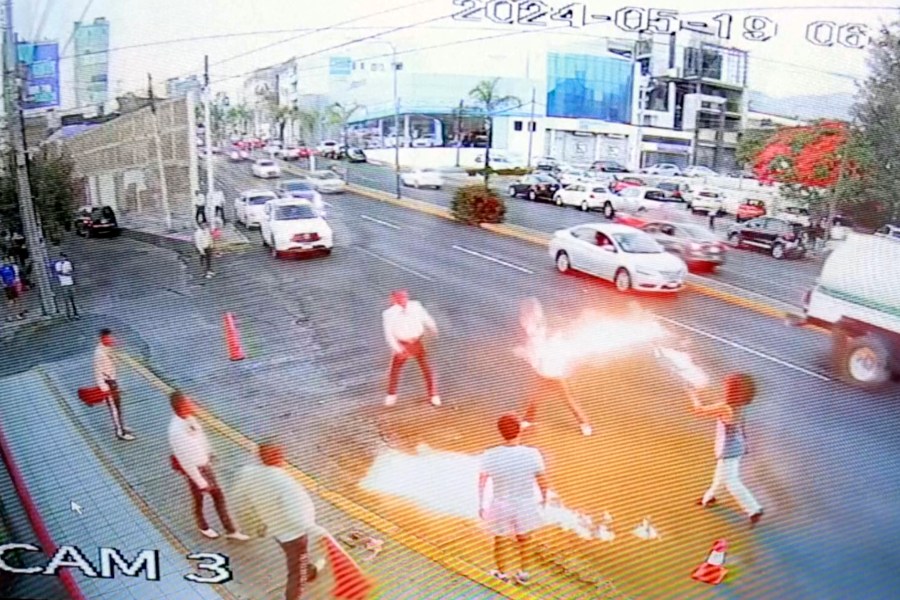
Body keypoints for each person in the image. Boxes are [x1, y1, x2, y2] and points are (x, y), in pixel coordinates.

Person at [232, 441, 326, 600]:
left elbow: (240, 501)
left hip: (274, 526)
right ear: (278, 456)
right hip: (293, 533)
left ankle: (307, 570)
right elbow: (297, 517)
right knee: (296, 569)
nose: (282, 455)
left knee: (296, 557)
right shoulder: (283, 482)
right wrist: (319, 531)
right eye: (279, 453)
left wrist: (253, 524)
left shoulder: (250, 474)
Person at [167, 391, 249, 541]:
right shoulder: (176, 431)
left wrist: (209, 453)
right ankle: (203, 526)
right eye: (189, 402)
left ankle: (230, 530)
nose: (194, 404)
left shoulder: (190, 418)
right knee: (199, 498)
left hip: (204, 464)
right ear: (182, 407)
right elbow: (184, 460)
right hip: (194, 469)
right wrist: (200, 481)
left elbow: (201, 437)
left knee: (218, 495)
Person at [478, 414, 548, 586]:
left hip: (501, 501)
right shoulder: (533, 454)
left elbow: (482, 481)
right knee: (524, 539)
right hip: (525, 502)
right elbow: (542, 480)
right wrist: (544, 499)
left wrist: (481, 504)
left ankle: (501, 572)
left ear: (500, 432)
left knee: (500, 539)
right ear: (520, 431)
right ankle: (523, 572)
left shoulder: (490, 454)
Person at [694, 372, 763, 527]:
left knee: (731, 481)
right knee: (720, 477)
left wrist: (693, 395)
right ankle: (709, 498)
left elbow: (699, 411)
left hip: (729, 449)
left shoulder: (726, 407)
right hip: (737, 446)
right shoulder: (740, 404)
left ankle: (754, 510)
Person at [515, 298, 592, 437]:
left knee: (568, 400)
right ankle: (528, 420)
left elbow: (566, 359)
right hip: (543, 374)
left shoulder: (559, 343)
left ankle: (584, 423)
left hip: (556, 377)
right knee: (535, 399)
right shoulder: (545, 339)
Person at [382, 289, 440, 407]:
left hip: (418, 341)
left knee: (427, 369)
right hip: (402, 343)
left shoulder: (416, 306)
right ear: (394, 300)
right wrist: (397, 348)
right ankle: (391, 395)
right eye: (399, 298)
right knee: (395, 370)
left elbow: (426, 318)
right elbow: (388, 334)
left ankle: (433, 395)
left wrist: (433, 328)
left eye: (404, 297)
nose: (403, 300)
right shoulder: (389, 313)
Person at [93, 328, 135, 441]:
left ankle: (121, 426)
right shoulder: (99, 353)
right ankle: (120, 433)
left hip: (113, 382)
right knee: (114, 409)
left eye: (111, 337)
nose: (111, 339)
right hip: (107, 384)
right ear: (102, 338)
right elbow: (98, 372)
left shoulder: (108, 349)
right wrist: (104, 388)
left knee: (118, 407)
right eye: (108, 337)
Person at [54, 252, 79, 320]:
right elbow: (59, 272)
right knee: (66, 300)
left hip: (70, 282)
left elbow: (70, 271)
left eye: (64, 257)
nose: (62, 258)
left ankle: (76, 314)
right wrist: (65, 273)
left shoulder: (68, 263)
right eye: (61, 257)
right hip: (63, 284)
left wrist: (66, 273)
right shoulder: (57, 264)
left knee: (73, 299)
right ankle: (68, 315)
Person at [1, 257, 26, 322]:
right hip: (12, 286)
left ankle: (9, 316)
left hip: (7, 287)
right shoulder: (11, 268)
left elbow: (1, 279)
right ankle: (17, 315)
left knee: (11, 301)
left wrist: (4, 284)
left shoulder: (2, 269)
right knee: (16, 300)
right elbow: (15, 276)